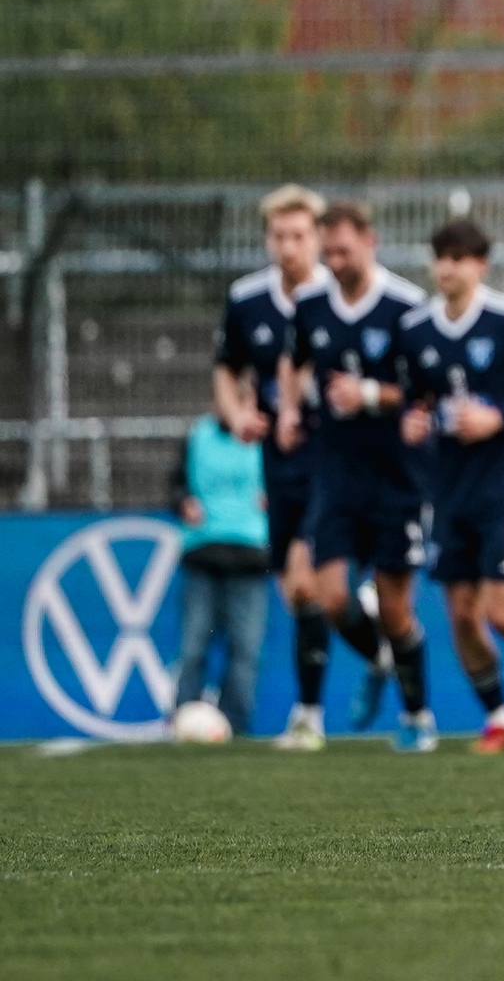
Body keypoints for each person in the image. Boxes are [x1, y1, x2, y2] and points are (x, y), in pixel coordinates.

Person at [398, 219, 504, 753]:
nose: (447, 267)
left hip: (501, 488)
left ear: (480, 264)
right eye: (440, 256)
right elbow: (417, 396)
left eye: (459, 257)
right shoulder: (417, 329)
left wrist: (499, 417)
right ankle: (500, 717)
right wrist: (414, 418)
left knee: (500, 610)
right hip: (447, 491)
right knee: (461, 616)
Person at [278, 201, 438, 752]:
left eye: (343, 250)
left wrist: (370, 394)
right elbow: (294, 360)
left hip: (397, 477)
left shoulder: (407, 308)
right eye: (329, 253)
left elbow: (426, 392)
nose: (335, 261)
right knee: (329, 595)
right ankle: (379, 661)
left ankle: (418, 718)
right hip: (336, 474)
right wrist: (291, 410)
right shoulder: (311, 305)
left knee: (395, 608)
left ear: (369, 241)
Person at [212, 184, 337, 751]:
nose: (289, 247)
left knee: (308, 578)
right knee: (296, 593)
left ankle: (309, 714)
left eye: (300, 236)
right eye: (279, 236)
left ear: (317, 238)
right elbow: (226, 368)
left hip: (333, 455)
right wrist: (238, 412)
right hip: (277, 459)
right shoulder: (246, 299)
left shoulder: (339, 297)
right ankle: (371, 639)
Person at [169, 410, 272, 735]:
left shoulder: (266, 435)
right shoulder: (199, 434)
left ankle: (235, 725)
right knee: (193, 646)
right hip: (204, 552)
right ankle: (183, 721)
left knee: (246, 649)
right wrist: (183, 501)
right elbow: (176, 482)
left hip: (250, 556)